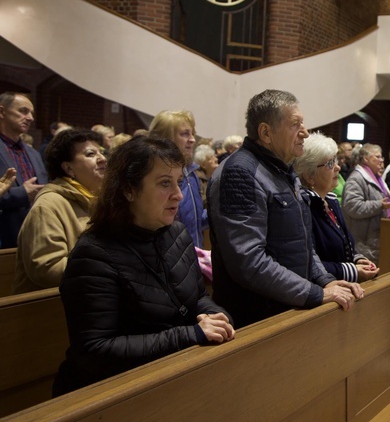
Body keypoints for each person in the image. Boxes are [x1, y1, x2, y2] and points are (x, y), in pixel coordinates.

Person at [53, 136, 234, 396]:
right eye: (164, 183)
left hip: (170, 378)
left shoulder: (177, 234)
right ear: (128, 189)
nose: (179, 195)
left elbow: (197, 298)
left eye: (179, 183)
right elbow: (95, 350)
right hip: (107, 396)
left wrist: (217, 316)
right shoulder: (93, 254)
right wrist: (191, 334)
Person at [208, 89, 363, 328]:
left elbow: (304, 241)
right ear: (266, 133)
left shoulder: (283, 170)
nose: (305, 132)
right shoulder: (240, 173)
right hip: (259, 317)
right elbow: (249, 261)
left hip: (288, 307)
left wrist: (324, 280)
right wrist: (313, 292)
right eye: (295, 124)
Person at [14, 129, 106, 294]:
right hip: (46, 311)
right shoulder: (48, 206)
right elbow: (47, 269)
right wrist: (106, 264)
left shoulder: (97, 201)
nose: (102, 159)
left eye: (102, 152)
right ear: (68, 168)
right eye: (91, 154)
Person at [295, 132, 379, 283]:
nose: (338, 167)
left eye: (335, 161)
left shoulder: (330, 201)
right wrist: (352, 271)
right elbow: (310, 264)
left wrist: (357, 260)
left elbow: (344, 246)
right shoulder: (304, 206)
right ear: (309, 176)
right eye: (329, 164)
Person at [149, 109, 207, 248]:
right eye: (185, 134)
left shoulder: (192, 174)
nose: (193, 139)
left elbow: (194, 224)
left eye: (192, 133)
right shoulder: (153, 175)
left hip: (192, 259)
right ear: (166, 138)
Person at [342, 143, 390, 264]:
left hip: (379, 239)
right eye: (377, 157)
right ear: (366, 159)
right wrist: (380, 205)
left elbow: (383, 203)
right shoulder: (356, 178)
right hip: (365, 243)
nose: (381, 160)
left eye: (382, 157)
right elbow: (352, 206)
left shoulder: (377, 178)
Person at [0, 92, 48, 249]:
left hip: (37, 237)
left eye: (31, 113)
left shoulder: (33, 153)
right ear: (2, 112)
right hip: (6, 236)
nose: (30, 118)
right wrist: (22, 193)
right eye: (23, 111)